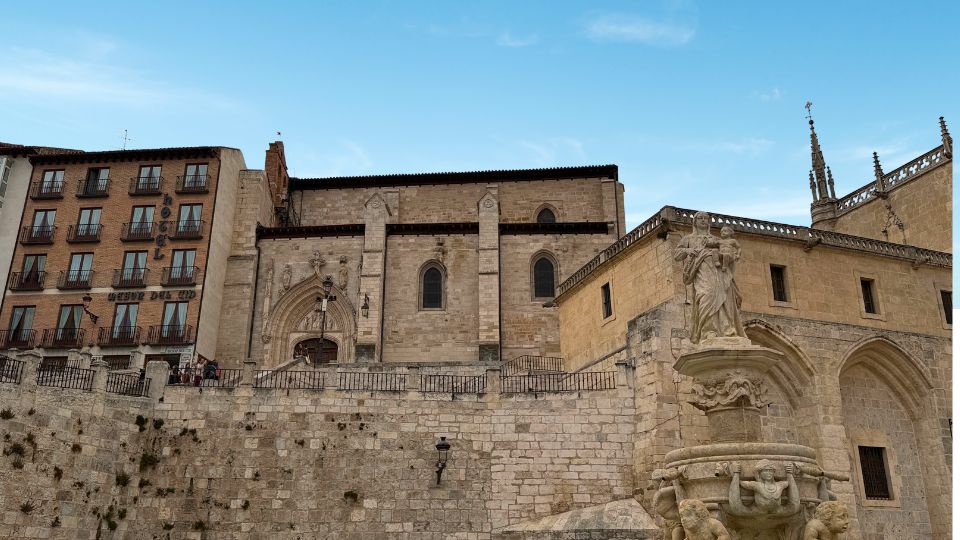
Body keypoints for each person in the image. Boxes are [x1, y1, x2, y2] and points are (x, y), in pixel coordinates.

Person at [673, 212, 746, 344]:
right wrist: (688, 251)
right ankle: (708, 331)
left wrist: (730, 256)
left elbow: (729, 251)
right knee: (707, 295)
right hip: (702, 272)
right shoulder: (688, 239)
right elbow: (677, 255)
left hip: (720, 273)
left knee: (725, 299)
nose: (703, 220)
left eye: (706, 218)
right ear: (694, 222)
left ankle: (726, 329)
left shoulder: (716, 239)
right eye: (700, 218)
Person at [728, 460, 800, 517]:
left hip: (778, 511)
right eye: (765, 470)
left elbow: (794, 503)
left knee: (794, 508)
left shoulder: (780, 485)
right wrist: (736, 473)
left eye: (770, 470)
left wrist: (789, 473)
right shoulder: (756, 485)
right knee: (737, 509)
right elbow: (741, 484)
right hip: (757, 511)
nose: (769, 473)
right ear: (759, 473)